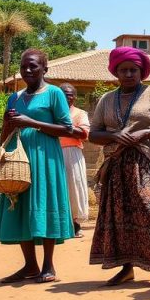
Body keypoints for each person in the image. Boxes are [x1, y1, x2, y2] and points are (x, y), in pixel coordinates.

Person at [89, 47, 150, 287]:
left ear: (141, 72)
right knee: (119, 216)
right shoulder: (107, 99)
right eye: (123, 70)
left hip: (146, 162)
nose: (128, 74)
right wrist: (116, 136)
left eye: (133, 70)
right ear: (115, 72)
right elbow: (93, 133)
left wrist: (145, 133)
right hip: (116, 164)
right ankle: (126, 267)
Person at [0, 49, 75, 284]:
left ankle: (48, 265)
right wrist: (8, 124)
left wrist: (32, 122)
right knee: (18, 206)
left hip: (45, 156)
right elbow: (4, 135)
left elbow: (67, 129)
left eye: (33, 66)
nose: (27, 70)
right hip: (18, 158)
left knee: (44, 202)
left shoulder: (54, 93)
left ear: (44, 69)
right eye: (24, 67)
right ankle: (30, 265)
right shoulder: (14, 98)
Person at [58, 83, 90, 237]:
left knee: (74, 187)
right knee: (56, 187)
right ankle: (58, 223)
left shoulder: (80, 113)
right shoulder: (51, 113)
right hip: (53, 152)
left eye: (69, 94)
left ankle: (75, 223)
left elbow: (83, 134)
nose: (66, 97)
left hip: (72, 153)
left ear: (74, 97)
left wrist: (61, 128)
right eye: (63, 94)